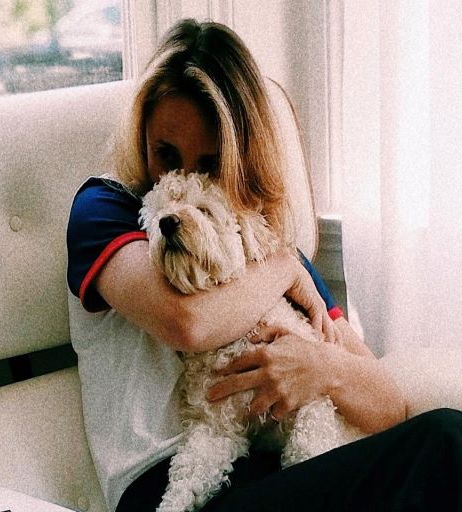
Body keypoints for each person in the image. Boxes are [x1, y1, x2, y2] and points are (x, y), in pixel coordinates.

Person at [66, 18, 462, 512]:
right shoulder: (106, 208)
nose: (184, 179)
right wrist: (287, 269)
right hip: (170, 490)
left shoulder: (261, 245)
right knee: (446, 442)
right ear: (142, 137)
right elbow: (187, 324)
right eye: (165, 154)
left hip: (282, 474)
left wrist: (320, 366)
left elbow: (389, 405)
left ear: (241, 158)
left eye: (210, 164)